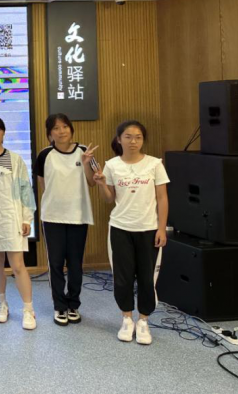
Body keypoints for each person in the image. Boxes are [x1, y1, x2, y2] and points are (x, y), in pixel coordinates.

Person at [94, 121, 169, 345]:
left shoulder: (154, 164)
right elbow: (109, 198)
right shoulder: (111, 165)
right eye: (128, 137)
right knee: (123, 278)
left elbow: (162, 198)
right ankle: (127, 318)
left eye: (138, 137)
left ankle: (143, 321)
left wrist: (162, 228)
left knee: (147, 278)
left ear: (143, 140)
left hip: (149, 229)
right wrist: (102, 184)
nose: (133, 141)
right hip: (120, 228)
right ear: (119, 139)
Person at [33, 113, 97, 326]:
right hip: (52, 217)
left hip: (78, 215)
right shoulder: (45, 154)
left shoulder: (84, 152)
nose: (61, 131)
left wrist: (86, 163)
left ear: (71, 129)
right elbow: (43, 184)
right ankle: (59, 306)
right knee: (56, 263)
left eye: (65, 127)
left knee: (76, 263)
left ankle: (73, 304)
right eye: (56, 128)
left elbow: (92, 182)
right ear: (49, 133)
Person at [0, 116, 37, 330]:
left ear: (3, 132)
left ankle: (28, 309)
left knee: (17, 264)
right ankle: (2, 304)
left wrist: (26, 218)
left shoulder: (15, 159)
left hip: (12, 218)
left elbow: (24, 189)